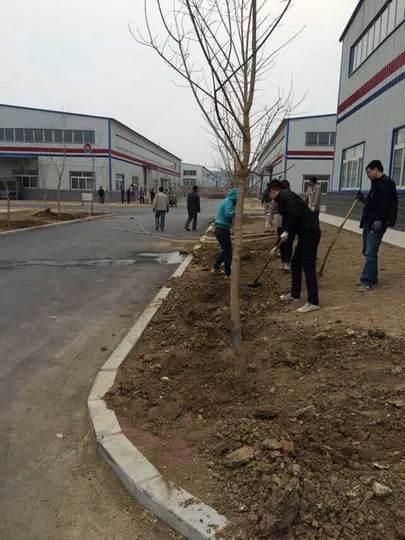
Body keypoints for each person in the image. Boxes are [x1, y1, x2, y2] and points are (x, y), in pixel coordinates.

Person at [268, 180, 321, 313]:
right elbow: (291, 220)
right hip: (304, 233)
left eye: (269, 193)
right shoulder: (284, 198)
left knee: (308, 266)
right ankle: (295, 295)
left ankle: (313, 302)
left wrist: (287, 230)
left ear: (274, 190)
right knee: (296, 263)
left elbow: (294, 214)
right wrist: (280, 241)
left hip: (310, 232)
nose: (270, 197)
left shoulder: (287, 196)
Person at [356, 160, 398, 292]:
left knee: (370, 251)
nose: (368, 175)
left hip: (377, 223)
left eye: (369, 172)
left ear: (376, 169)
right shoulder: (375, 183)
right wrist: (362, 199)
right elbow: (372, 203)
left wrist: (380, 219)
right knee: (366, 250)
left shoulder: (387, 183)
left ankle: (366, 281)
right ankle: (372, 277)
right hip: (368, 221)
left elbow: (387, 203)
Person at [211, 188, 238, 279]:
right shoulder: (229, 201)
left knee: (226, 250)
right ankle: (228, 273)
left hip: (220, 229)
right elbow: (227, 215)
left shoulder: (226, 200)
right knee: (228, 252)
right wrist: (236, 211)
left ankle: (215, 267)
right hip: (222, 230)